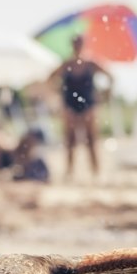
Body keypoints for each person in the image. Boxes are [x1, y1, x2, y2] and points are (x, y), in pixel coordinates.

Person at [48, 35, 110, 177]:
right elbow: (50, 79)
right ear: (72, 45)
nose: (77, 46)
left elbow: (110, 77)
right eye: (76, 44)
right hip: (69, 106)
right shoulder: (66, 64)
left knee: (91, 139)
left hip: (89, 105)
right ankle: (69, 171)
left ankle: (96, 171)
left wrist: (103, 96)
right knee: (70, 139)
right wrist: (58, 96)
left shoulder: (90, 64)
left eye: (79, 43)